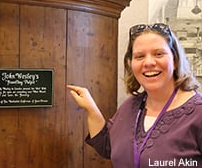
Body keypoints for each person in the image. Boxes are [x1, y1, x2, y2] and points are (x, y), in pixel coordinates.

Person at [67, 23, 202, 168]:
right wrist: (91, 109)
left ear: (175, 61)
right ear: (131, 64)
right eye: (139, 56)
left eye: (158, 54)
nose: (149, 62)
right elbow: (108, 146)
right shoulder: (131, 106)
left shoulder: (197, 113)